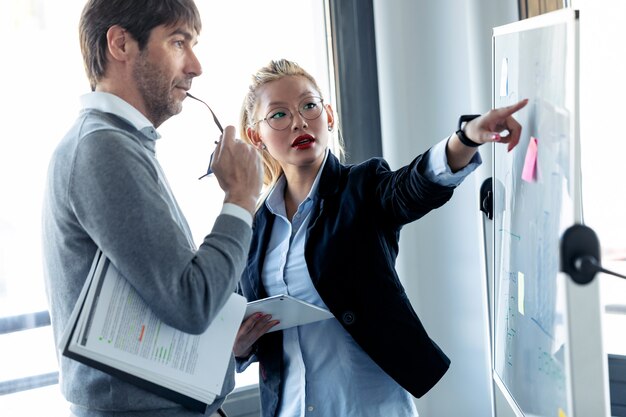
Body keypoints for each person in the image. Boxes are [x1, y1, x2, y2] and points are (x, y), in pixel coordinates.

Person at [233, 59, 527, 416]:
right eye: (278, 115)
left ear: (328, 116)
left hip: (369, 407)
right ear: (255, 136)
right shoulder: (251, 227)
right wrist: (238, 347)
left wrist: (465, 139)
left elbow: (412, 187)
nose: (299, 121)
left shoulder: (363, 187)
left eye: (309, 106)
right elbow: (233, 323)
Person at [41, 1, 263, 416]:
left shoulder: (117, 143)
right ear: (120, 44)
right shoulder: (103, 148)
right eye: (179, 42)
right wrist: (240, 198)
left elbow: (152, 305)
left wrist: (219, 347)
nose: (196, 66)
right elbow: (190, 303)